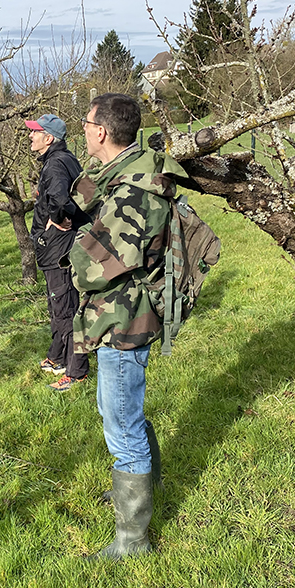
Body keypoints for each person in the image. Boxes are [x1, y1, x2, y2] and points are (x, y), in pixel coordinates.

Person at [68, 93, 188, 560]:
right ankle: (140, 486)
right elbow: (84, 193)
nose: (83, 130)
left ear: (101, 131)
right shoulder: (127, 171)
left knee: (122, 423)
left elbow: (91, 268)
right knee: (119, 408)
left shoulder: (133, 192)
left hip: (122, 318)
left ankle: (132, 540)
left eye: (86, 124)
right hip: (121, 313)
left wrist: (75, 246)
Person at [25, 113, 90, 392]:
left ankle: (76, 372)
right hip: (59, 245)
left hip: (58, 246)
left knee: (65, 306)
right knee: (58, 302)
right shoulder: (65, 159)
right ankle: (59, 357)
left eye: (35, 132)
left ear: (48, 138)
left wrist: (57, 218)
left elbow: (61, 200)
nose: (30, 136)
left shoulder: (54, 164)